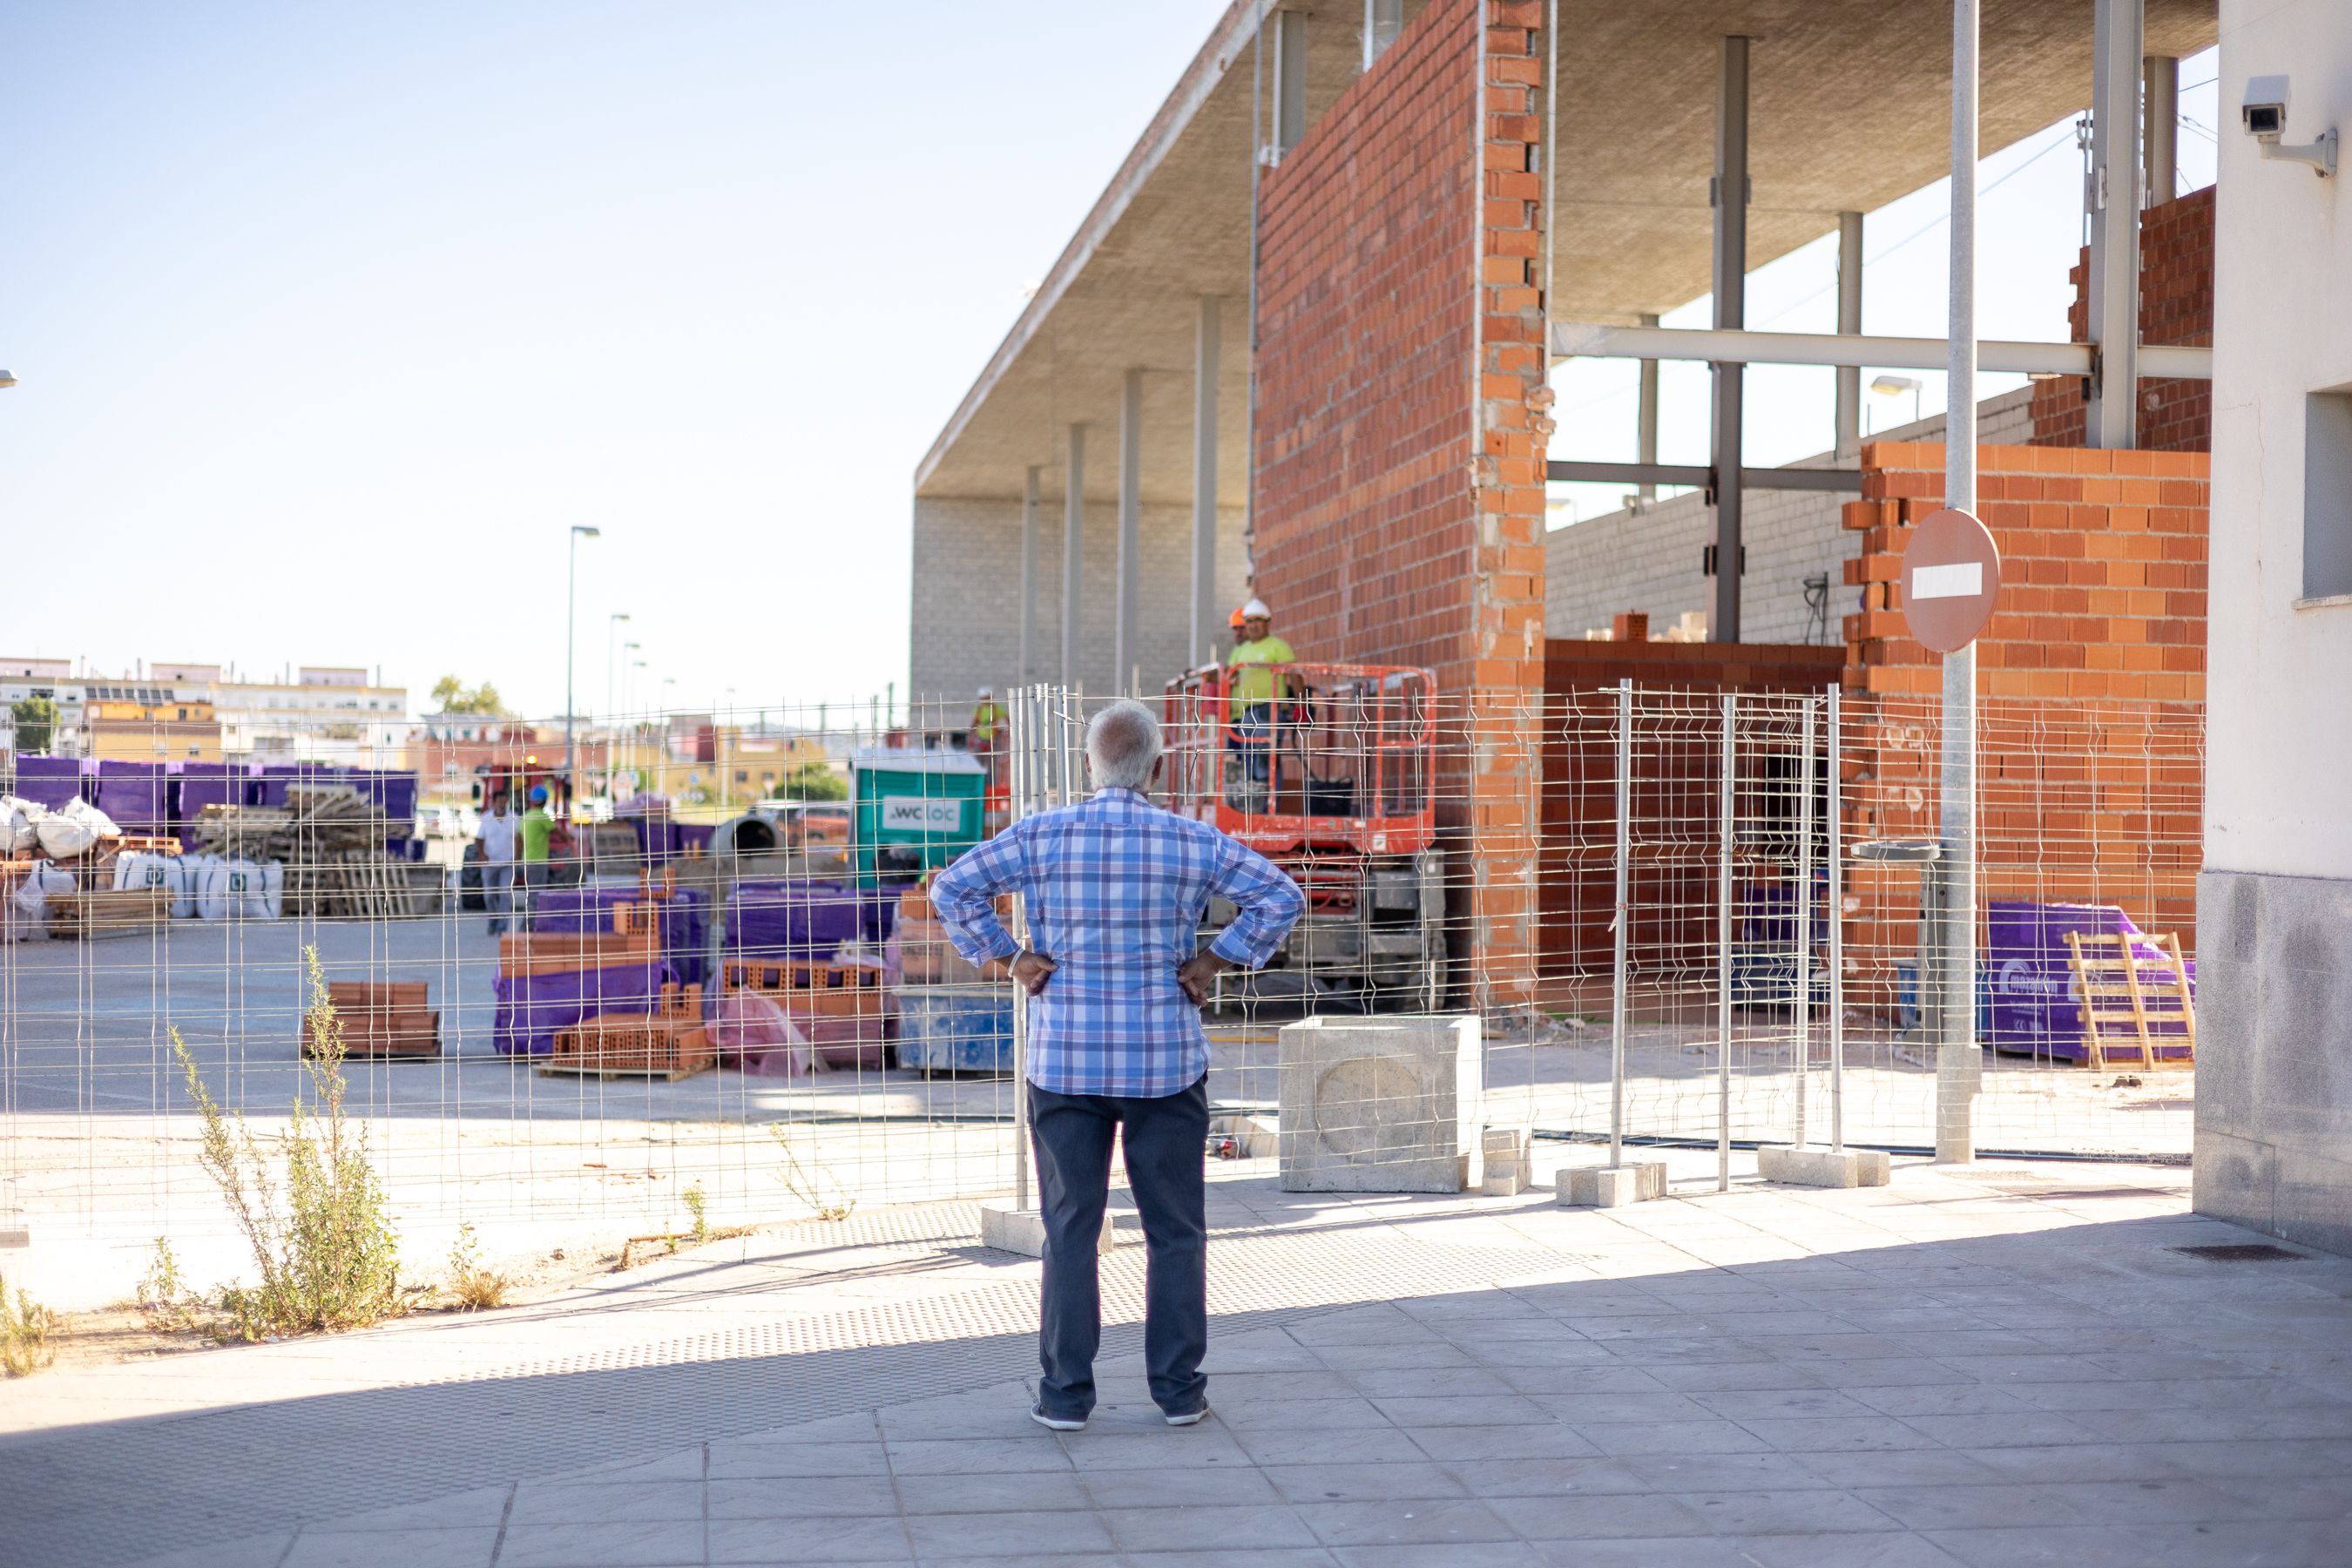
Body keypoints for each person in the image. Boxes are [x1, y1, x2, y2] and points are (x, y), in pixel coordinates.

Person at [930, 700, 1303, 1433]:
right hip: (1164, 1063)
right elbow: (1280, 896)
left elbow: (952, 887)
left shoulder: (1040, 836)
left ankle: (1065, 1396)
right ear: (1158, 768)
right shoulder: (1193, 841)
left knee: (1070, 1229)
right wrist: (1215, 959)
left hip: (1065, 1064)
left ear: (1088, 766)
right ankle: (1178, 1392)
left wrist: (1008, 955)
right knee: (1175, 1231)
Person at [1226, 598, 1297, 795]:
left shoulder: (1277, 646)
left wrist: (1302, 706)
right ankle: (1252, 805)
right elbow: (1228, 674)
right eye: (1249, 621)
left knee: (1266, 758)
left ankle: (1269, 805)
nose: (1253, 625)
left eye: (1258, 620)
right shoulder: (1241, 650)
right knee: (1248, 759)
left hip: (1270, 709)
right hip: (1247, 712)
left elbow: (1295, 674)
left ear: (1267, 622)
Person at [477, 789, 520, 936]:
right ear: (494, 802)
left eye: (505, 801)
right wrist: (482, 854)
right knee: (489, 895)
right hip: (490, 864)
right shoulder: (486, 818)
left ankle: (502, 925)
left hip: (507, 863)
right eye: (500, 801)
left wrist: (517, 857)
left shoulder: (514, 818)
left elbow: (518, 839)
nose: (502, 804)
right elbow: (479, 838)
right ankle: (493, 919)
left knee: (505, 894)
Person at [517, 784, 558, 918]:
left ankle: (529, 923)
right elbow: (556, 831)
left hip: (526, 861)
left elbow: (519, 839)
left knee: (531, 893)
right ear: (545, 800)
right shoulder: (542, 817)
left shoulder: (525, 816)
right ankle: (530, 925)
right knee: (537, 895)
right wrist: (570, 838)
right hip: (538, 862)